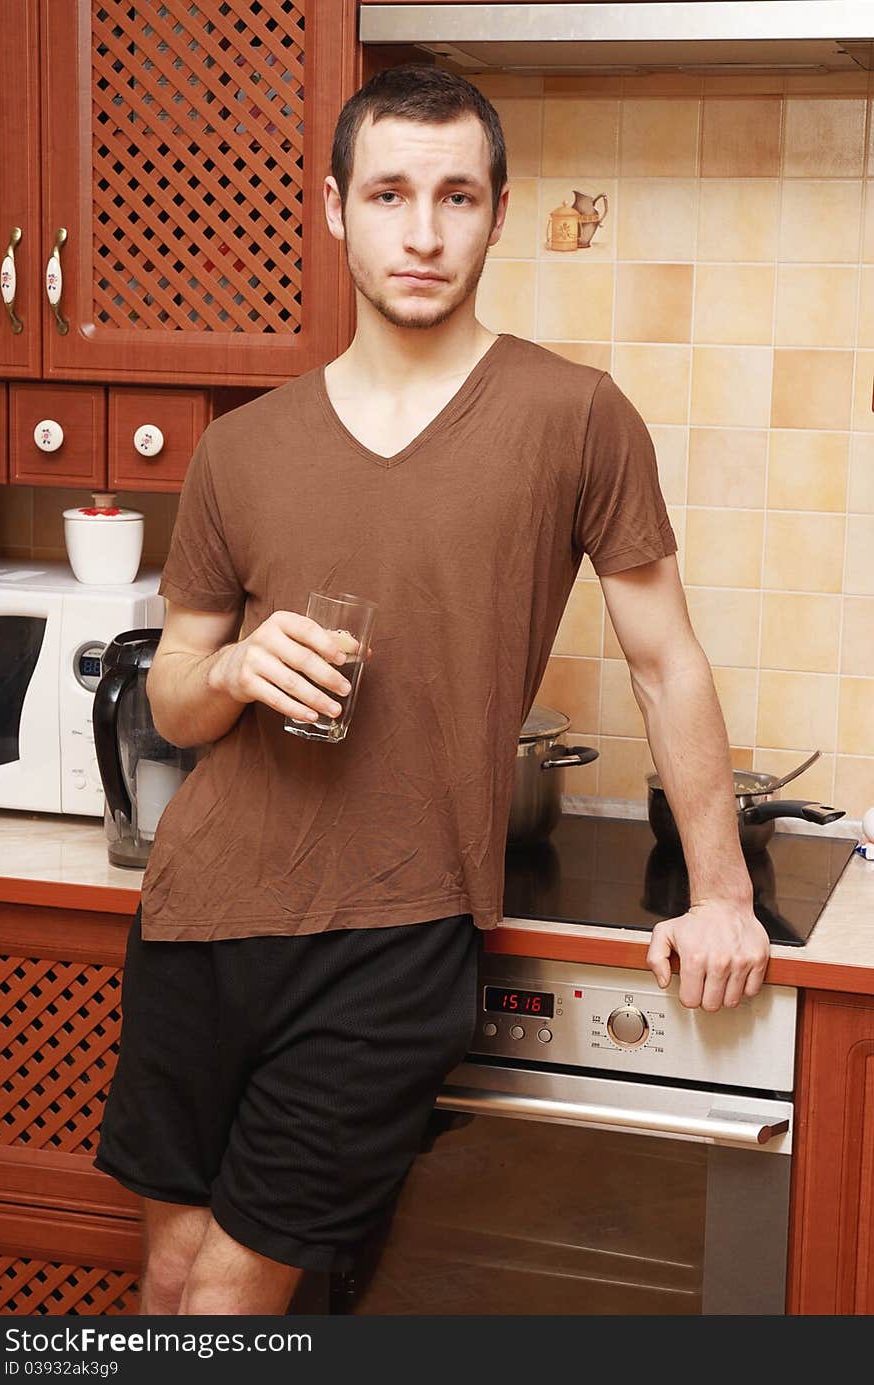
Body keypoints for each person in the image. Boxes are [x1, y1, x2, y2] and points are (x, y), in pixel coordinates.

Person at [93, 64, 770, 1317]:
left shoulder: (578, 416)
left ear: (498, 212)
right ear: (334, 207)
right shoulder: (241, 444)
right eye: (390, 192)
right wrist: (236, 666)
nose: (421, 230)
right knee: (170, 1274)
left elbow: (665, 657)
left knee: (229, 1304)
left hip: (393, 933)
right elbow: (179, 699)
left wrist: (723, 892)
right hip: (194, 915)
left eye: (455, 195)